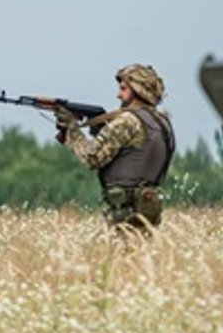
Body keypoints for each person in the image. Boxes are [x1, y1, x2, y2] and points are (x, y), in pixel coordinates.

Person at [57, 64, 176, 231]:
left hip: (124, 215)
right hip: (149, 213)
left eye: (123, 88)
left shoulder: (127, 121)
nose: (118, 95)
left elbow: (92, 158)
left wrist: (72, 129)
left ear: (138, 89)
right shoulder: (162, 121)